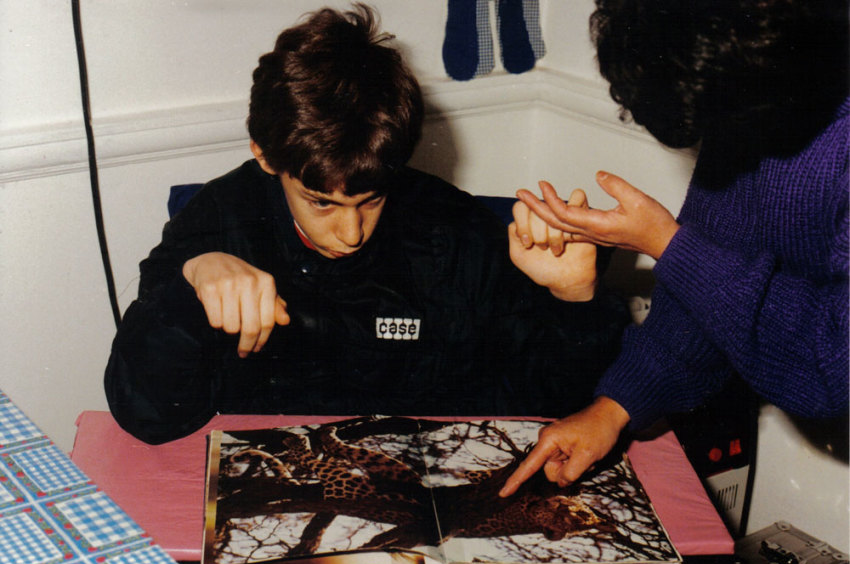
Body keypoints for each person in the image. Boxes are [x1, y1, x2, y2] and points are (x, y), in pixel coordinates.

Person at [104, 4, 630, 445]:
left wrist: (575, 302)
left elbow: (549, 411)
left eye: (370, 200)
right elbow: (148, 417)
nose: (351, 233)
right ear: (265, 156)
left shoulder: (451, 230)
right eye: (321, 203)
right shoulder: (216, 222)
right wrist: (188, 289)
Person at [500, 0, 849, 496]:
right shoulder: (750, 84)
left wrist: (666, 242)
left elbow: (828, 370)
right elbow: (709, 295)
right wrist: (614, 407)